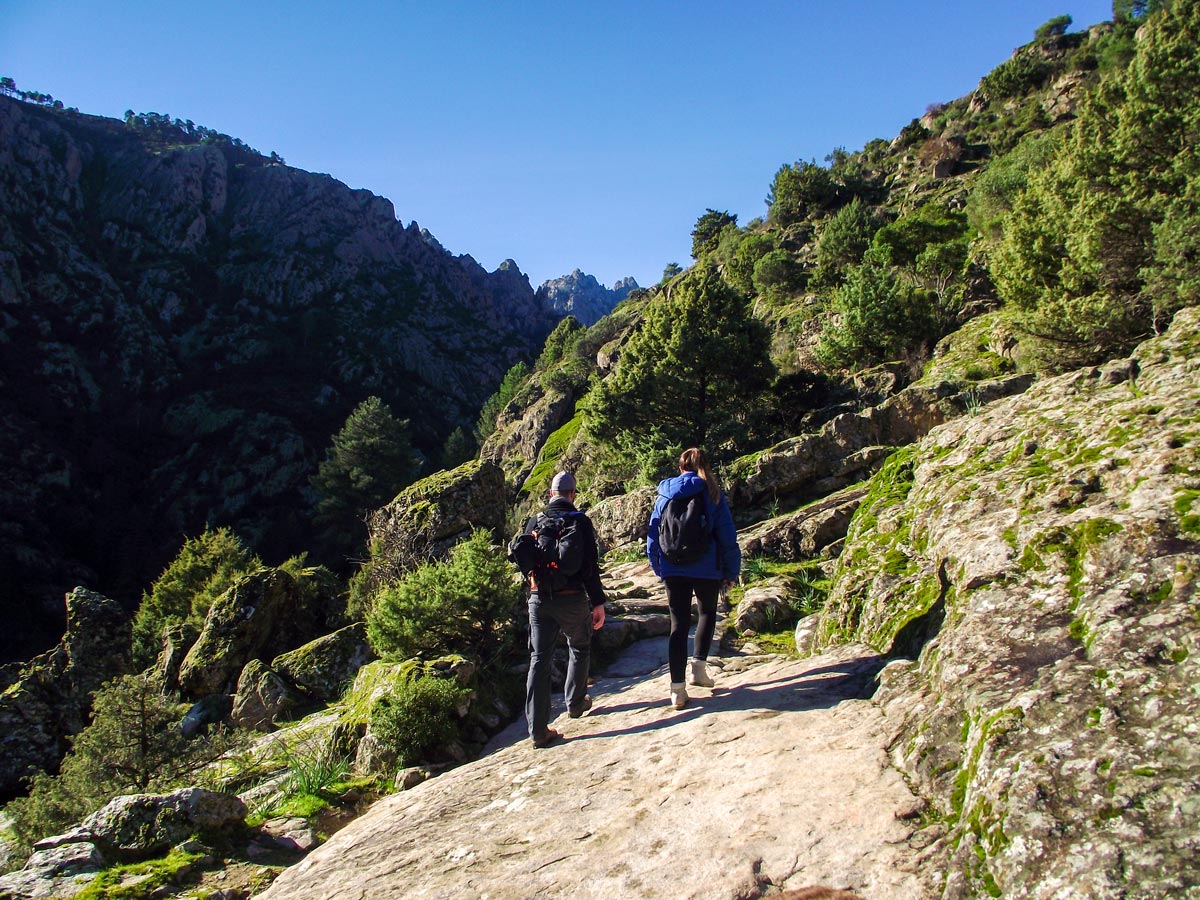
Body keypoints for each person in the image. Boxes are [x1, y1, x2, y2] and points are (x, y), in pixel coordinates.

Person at [647, 447, 741, 709]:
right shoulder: (712, 493)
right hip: (706, 568)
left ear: (680, 468)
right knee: (707, 613)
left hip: (673, 567)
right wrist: (731, 572)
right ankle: (698, 667)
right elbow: (727, 537)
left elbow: (653, 533)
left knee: (677, 625)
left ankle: (677, 690)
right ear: (705, 467)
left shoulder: (664, 495)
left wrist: (657, 565)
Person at [523, 470, 606, 748]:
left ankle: (537, 730)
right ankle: (575, 703)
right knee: (580, 646)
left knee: (539, 659)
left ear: (550, 494)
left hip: (538, 599)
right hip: (572, 598)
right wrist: (598, 602)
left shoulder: (534, 520)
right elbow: (590, 568)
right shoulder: (580, 521)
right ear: (573, 495)